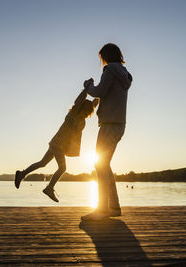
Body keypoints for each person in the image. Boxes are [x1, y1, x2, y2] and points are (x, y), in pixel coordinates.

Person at [15, 90, 99, 202]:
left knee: (42, 163)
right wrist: (86, 90)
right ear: (80, 108)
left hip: (58, 145)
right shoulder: (73, 113)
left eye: (87, 114)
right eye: (84, 112)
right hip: (58, 144)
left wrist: (98, 97)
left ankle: (21, 174)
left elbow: (92, 105)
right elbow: (78, 101)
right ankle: (49, 188)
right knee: (62, 168)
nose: (85, 115)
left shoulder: (82, 119)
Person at [81, 43, 133, 220]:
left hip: (110, 123)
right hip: (119, 124)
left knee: (100, 165)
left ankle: (101, 210)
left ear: (105, 56)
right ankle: (114, 208)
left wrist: (88, 86)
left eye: (101, 57)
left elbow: (100, 91)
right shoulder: (124, 74)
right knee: (104, 164)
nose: (101, 61)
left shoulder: (110, 70)